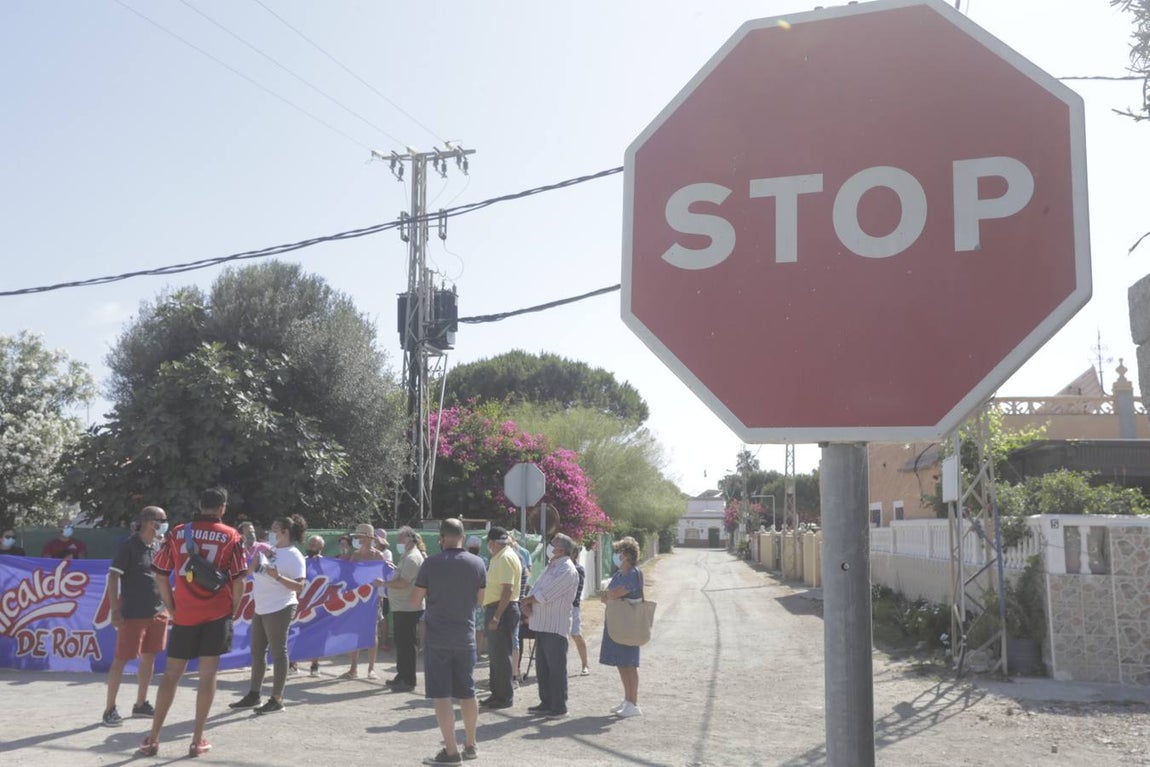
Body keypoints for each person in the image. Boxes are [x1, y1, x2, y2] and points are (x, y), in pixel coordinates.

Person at [140, 487, 246, 758]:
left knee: (172, 674)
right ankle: (197, 739)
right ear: (222, 507)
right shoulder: (232, 535)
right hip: (217, 613)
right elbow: (239, 581)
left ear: (200, 504)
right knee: (208, 674)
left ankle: (153, 737)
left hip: (185, 614)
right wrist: (232, 610)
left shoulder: (177, 532)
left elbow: (161, 573)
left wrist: (173, 607)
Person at [411, 518, 486, 765]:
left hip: (438, 638)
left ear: (441, 538)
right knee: (468, 692)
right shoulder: (477, 563)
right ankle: (471, 744)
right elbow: (480, 599)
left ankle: (451, 752)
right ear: (462, 537)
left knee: (441, 695)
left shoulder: (430, 564)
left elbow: (415, 600)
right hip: (466, 636)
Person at [230, 514, 307, 715]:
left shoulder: (294, 555)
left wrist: (278, 577)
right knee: (257, 652)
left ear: (285, 532)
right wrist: (252, 566)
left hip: (281, 607)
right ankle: (254, 694)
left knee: (279, 652)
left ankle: (277, 699)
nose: (270, 533)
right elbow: (249, 573)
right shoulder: (269, 551)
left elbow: (299, 586)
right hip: (261, 607)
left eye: (274, 529)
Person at [102, 506, 169, 727]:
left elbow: (162, 579)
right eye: (162, 519)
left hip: (157, 613)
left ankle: (141, 704)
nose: (165, 523)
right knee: (121, 659)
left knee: (150, 657)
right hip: (132, 614)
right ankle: (109, 709)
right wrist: (114, 610)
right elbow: (113, 578)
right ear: (150, 521)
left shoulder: (159, 546)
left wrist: (169, 607)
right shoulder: (128, 547)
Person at [521, 533, 579, 720]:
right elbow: (537, 588)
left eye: (553, 544)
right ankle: (546, 702)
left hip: (555, 625)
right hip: (542, 623)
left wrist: (528, 600)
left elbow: (546, 594)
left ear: (561, 549)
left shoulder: (567, 570)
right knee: (543, 668)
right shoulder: (552, 566)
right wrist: (528, 603)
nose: (550, 546)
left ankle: (559, 707)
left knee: (556, 668)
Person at [599, 536, 644, 718]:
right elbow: (607, 596)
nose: (617, 555)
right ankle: (627, 700)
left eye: (619, 552)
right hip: (617, 622)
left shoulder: (633, 573)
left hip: (628, 624)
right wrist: (610, 595)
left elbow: (616, 593)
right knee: (621, 663)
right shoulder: (619, 574)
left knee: (630, 663)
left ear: (626, 555)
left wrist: (610, 595)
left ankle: (633, 703)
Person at [479, 526, 521, 711]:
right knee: (496, 656)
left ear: (494, 543)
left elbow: (507, 590)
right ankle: (497, 694)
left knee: (501, 656)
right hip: (499, 608)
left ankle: (504, 696)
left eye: (489, 541)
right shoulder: (502, 556)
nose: (487, 545)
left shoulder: (504, 558)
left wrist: (496, 617)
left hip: (501, 609)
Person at [343, 522, 386, 679]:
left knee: (372, 632)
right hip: (358, 598)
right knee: (355, 633)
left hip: (373, 599)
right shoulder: (355, 555)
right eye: (357, 536)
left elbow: (381, 578)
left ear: (368, 538)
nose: (358, 539)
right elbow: (350, 576)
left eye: (360, 536)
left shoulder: (378, 556)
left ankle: (371, 669)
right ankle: (353, 668)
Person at [386, 525, 425, 692]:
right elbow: (403, 576)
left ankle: (408, 680)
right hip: (402, 606)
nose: (397, 543)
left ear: (409, 540)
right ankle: (401, 675)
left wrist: (383, 583)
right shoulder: (407, 556)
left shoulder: (412, 558)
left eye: (400, 540)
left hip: (408, 608)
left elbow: (403, 583)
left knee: (407, 645)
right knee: (401, 644)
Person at [303, 534, 325, 676]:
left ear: (321, 547)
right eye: (310, 543)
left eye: (314, 544)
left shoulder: (327, 564)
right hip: (301, 604)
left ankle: (314, 665)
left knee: (318, 636)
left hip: (318, 605)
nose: (311, 546)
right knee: (295, 633)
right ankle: (292, 664)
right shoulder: (301, 561)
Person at [570, 545, 590, 676]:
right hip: (560, 608)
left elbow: (576, 591)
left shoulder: (578, 569)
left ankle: (585, 664)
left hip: (573, 607)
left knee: (576, 635)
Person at [374, 528, 393, 652]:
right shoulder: (370, 551)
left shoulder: (387, 553)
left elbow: (386, 568)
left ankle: (384, 642)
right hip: (371, 590)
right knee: (371, 617)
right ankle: (370, 641)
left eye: (376, 539)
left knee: (383, 617)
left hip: (383, 591)